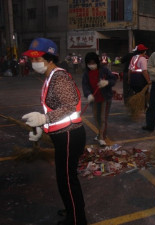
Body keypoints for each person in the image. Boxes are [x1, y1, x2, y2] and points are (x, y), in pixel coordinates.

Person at [21, 38, 87, 225]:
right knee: (65, 179)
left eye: (37, 59)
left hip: (69, 135)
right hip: (62, 134)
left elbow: (70, 106)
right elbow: (53, 108)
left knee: (67, 180)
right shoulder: (50, 77)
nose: (33, 63)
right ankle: (71, 210)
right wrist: (42, 129)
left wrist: (44, 119)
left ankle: (76, 220)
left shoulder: (59, 78)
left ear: (49, 58)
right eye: (31, 59)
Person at [82, 52, 117, 146]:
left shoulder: (104, 70)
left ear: (97, 62)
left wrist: (107, 82)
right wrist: (88, 94)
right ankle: (99, 133)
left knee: (103, 118)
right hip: (94, 99)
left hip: (105, 98)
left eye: (93, 63)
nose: (91, 65)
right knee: (96, 118)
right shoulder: (86, 73)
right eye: (89, 63)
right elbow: (85, 85)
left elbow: (113, 79)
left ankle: (102, 137)